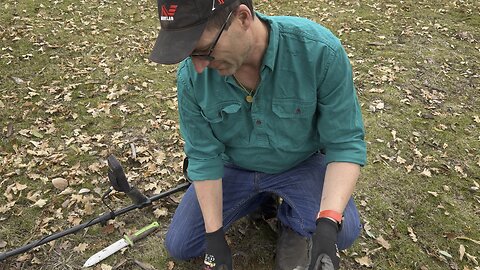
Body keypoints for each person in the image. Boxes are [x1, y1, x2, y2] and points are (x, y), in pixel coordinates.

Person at [149, 0, 366, 269]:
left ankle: (292, 223)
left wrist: (327, 223)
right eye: (190, 55)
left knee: (341, 233)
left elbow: (344, 143)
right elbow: (203, 157)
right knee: (181, 245)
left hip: (300, 163)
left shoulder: (320, 51)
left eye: (205, 51)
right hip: (233, 167)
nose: (199, 67)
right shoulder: (191, 78)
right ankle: (259, 199)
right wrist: (215, 236)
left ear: (242, 17)